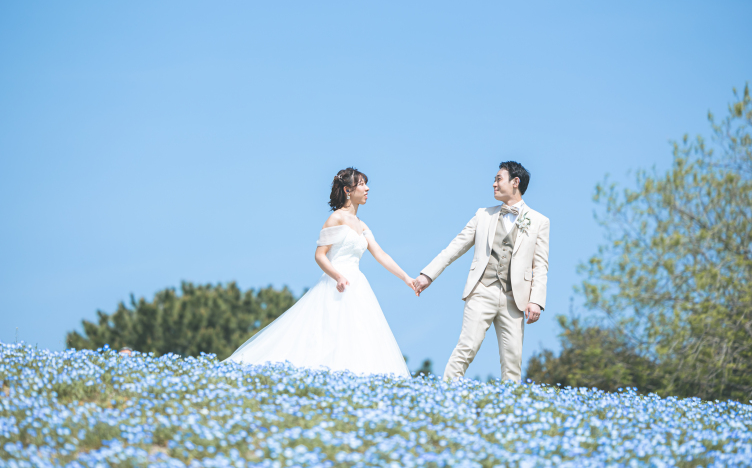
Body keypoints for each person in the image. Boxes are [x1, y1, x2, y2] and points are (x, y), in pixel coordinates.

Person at [225, 167, 414, 377]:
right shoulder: (336, 218)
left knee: (360, 334)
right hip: (337, 284)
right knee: (328, 333)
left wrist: (406, 278)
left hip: (358, 285)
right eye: (361, 184)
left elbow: (380, 254)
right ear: (348, 190)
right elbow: (320, 255)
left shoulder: (362, 225)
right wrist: (338, 276)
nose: (367, 188)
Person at [414, 161, 550, 383]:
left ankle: (512, 412)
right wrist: (428, 274)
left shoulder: (539, 221)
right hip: (481, 291)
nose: (493, 184)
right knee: (466, 348)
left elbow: (541, 265)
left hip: (515, 299)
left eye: (498, 179)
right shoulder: (482, 215)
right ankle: (446, 398)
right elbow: (455, 247)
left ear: (515, 182)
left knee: (513, 360)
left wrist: (536, 301)